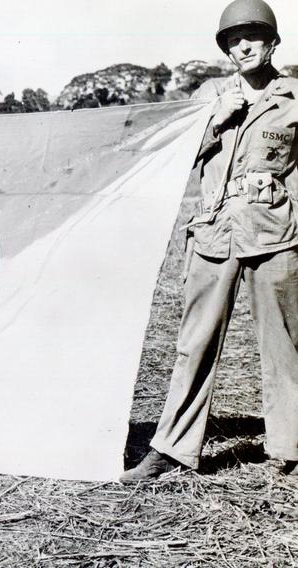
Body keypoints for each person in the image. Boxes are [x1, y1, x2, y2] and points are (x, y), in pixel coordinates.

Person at [122, 0, 298, 482]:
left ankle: (289, 445)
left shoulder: (294, 98)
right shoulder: (208, 96)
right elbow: (168, 157)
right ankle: (172, 447)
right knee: (193, 342)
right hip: (213, 231)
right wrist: (214, 120)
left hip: (275, 232)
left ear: (272, 42)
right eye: (232, 39)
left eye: (253, 37)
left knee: (285, 343)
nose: (242, 46)